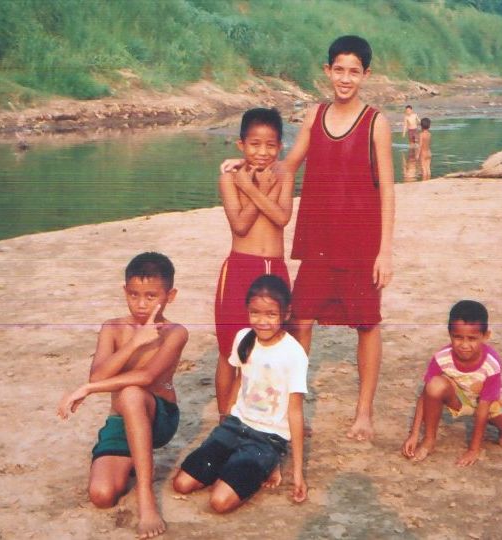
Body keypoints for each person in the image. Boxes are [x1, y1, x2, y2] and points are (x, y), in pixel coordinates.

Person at [283, 35, 395, 441]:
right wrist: (247, 161)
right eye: (339, 70)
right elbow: (289, 165)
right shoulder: (314, 116)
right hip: (318, 242)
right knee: (301, 319)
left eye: (354, 71)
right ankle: (294, 408)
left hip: (361, 244)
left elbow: (387, 190)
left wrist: (385, 250)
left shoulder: (376, 123)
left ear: (365, 75)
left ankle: (363, 412)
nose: (345, 79)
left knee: (367, 324)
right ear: (327, 71)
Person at [57, 252, 188, 539]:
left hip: (159, 419)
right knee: (101, 495)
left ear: (171, 295)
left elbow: (147, 377)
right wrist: (135, 342)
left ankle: (146, 498)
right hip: (121, 420)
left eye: (151, 296)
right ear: (124, 291)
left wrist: (89, 390)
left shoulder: (175, 332)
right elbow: (98, 375)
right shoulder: (113, 328)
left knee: (130, 393)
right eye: (134, 295)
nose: (141, 304)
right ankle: (132, 460)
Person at [173, 275, 308, 512]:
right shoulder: (243, 338)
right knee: (181, 484)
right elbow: (239, 381)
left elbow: (295, 413)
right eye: (255, 312)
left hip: (267, 438)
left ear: (286, 314)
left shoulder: (293, 354)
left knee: (219, 502)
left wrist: (298, 474)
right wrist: (224, 419)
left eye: (271, 314)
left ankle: (267, 463)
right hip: (235, 426)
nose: (262, 321)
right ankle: (233, 464)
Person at [214, 107, 294, 423]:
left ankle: (268, 416)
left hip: (275, 267)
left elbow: (282, 217)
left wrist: (252, 189)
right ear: (241, 145)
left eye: (270, 145)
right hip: (239, 268)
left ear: (280, 146)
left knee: (271, 345)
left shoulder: (284, 173)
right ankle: (225, 417)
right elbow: (240, 226)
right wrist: (254, 187)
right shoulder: (229, 178)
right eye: (254, 144)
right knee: (229, 348)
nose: (262, 152)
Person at [401, 300, 502, 466]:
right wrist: (414, 434)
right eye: (458, 337)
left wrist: (473, 450)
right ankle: (429, 440)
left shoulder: (492, 363)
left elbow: (483, 407)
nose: (465, 345)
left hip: (489, 401)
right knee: (433, 385)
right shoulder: (441, 358)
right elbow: (424, 396)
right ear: (450, 334)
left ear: (485, 336)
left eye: (472, 339)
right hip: (460, 399)